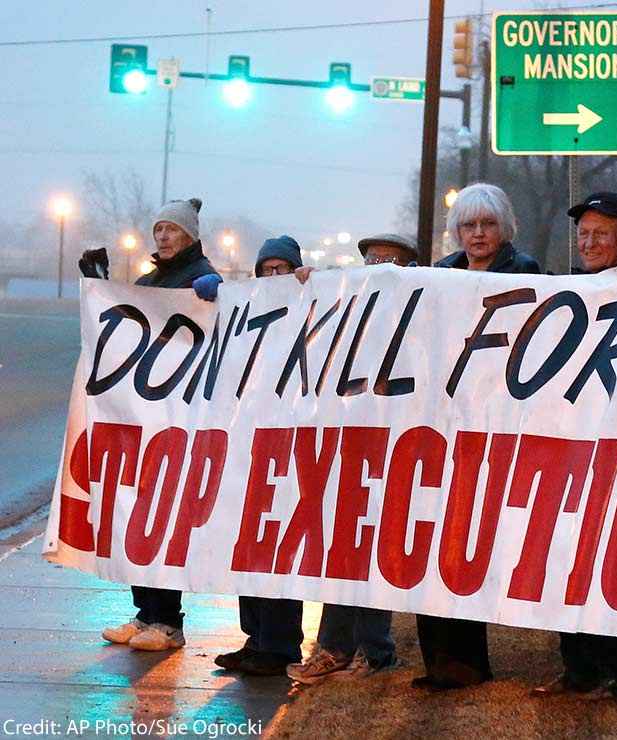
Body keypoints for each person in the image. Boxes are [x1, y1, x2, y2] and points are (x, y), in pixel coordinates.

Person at [409, 183, 540, 692]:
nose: (478, 234)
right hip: (440, 425)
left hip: (492, 426)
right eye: (469, 225)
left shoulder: (524, 272)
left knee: (468, 542)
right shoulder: (439, 275)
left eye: (487, 224)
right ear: (457, 231)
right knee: (430, 540)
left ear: (503, 227)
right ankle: (437, 660)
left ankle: (468, 661)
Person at [531, 191, 617, 704]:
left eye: (601, 234)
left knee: (604, 562)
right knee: (565, 559)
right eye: (583, 235)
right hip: (570, 445)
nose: (590, 242)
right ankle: (579, 669)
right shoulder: (571, 291)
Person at [89, 197, 220, 651]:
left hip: (178, 416)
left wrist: (216, 289)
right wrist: (99, 286)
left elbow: (222, 319)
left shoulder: (200, 276)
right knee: (137, 516)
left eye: (172, 230)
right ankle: (145, 613)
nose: (163, 237)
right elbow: (125, 330)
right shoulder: (150, 280)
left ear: (190, 236)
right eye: (159, 230)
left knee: (165, 517)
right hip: (143, 418)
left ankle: (169, 622)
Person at [284, 234, 414, 686]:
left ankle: (375, 651)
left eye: (390, 262)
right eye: (371, 260)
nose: (378, 267)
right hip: (345, 449)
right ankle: (334, 647)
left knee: (376, 548)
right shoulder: (344, 308)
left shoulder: (418, 315)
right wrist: (307, 284)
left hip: (396, 447)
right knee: (341, 549)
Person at [214, 235, 307, 676]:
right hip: (249, 445)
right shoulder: (246, 315)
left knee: (276, 549)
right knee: (245, 547)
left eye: (282, 269)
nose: (274, 278)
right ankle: (255, 637)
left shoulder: (313, 306)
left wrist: (312, 285)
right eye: (265, 270)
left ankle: (281, 644)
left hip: (289, 450)